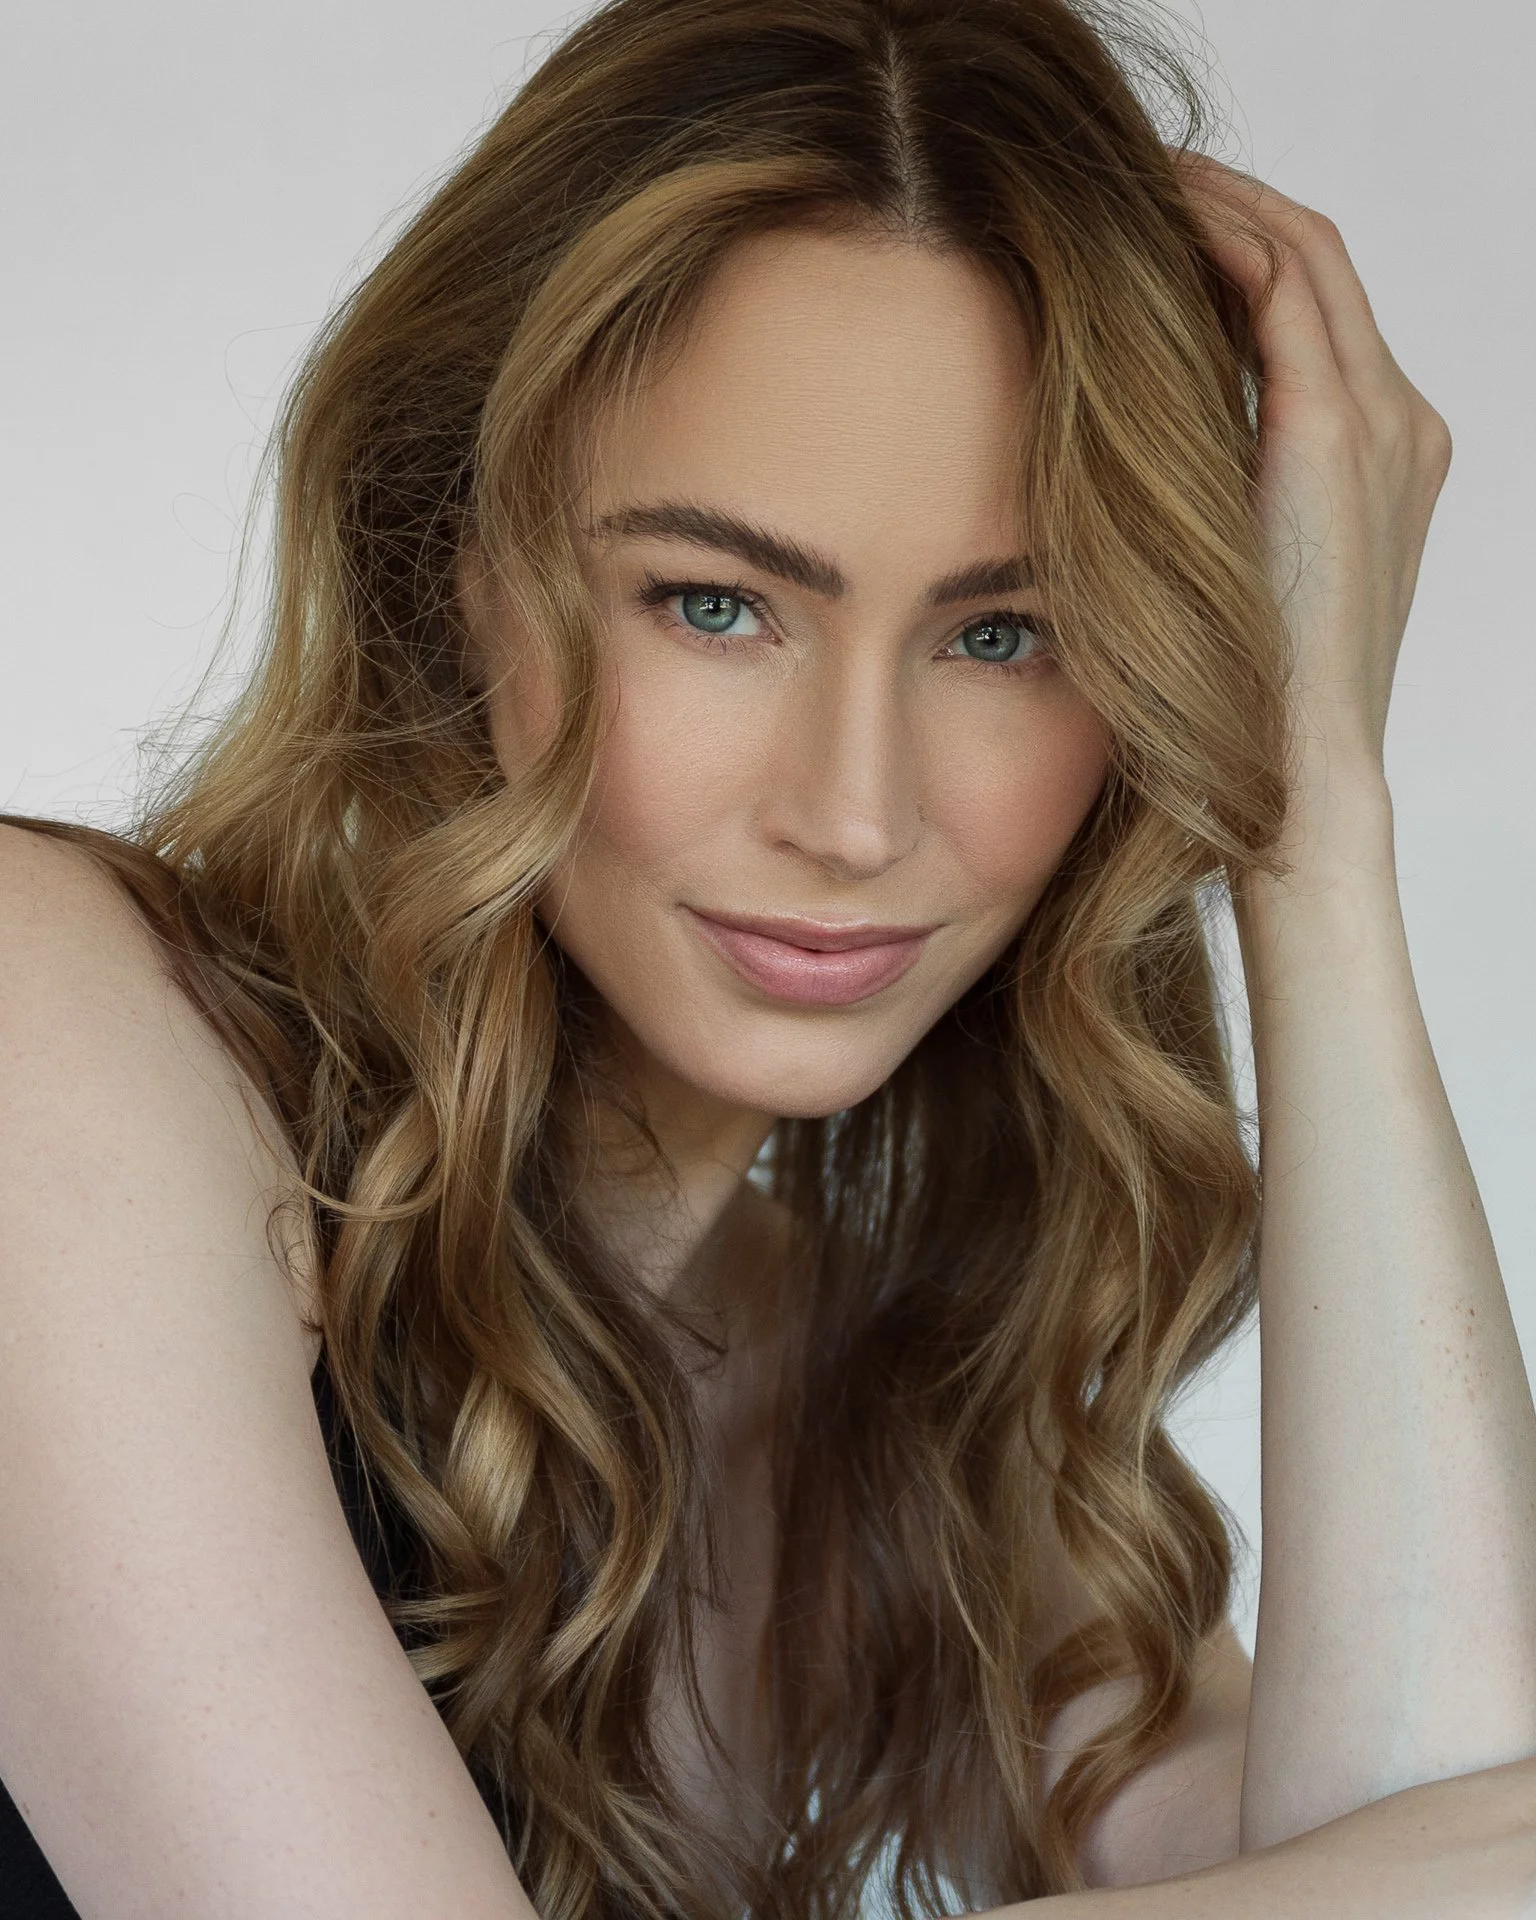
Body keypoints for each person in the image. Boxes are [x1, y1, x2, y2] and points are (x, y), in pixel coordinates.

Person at [1, 0, 1534, 1913]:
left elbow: (1442, 1834)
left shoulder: (851, 1408)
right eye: (715, 604)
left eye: (1007, 635)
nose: (859, 815)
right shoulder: (44, 1021)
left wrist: (1309, 815)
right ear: (447, 558)